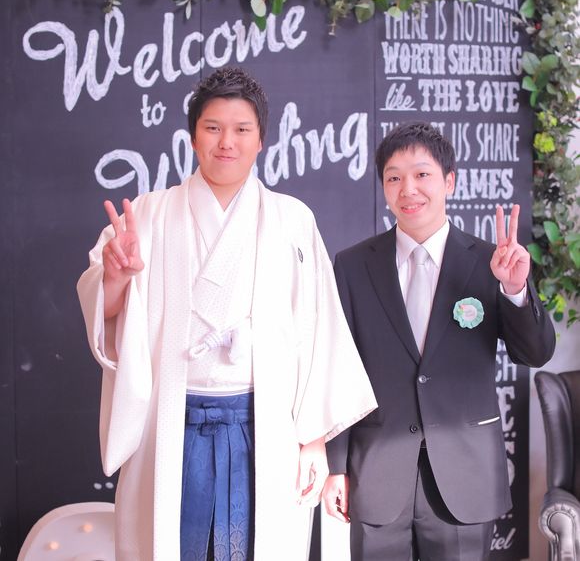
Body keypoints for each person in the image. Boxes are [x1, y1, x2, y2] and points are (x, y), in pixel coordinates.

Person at [77, 67, 377, 561]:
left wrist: (313, 442)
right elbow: (107, 319)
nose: (227, 142)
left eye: (242, 129)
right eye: (213, 128)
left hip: (264, 424)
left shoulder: (292, 220)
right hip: (170, 423)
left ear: (261, 140)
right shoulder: (147, 216)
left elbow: (319, 330)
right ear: (193, 136)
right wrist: (114, 278)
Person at [322, 121, 556, 561]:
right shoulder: (352, 266)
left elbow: (535, 353)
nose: (408, 189)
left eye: (422, 174)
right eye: (394, 177)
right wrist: (336, 466)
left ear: (449, 181)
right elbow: (338, 368)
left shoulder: (491, 262)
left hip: (464, 476)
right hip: (377, 472)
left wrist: (515, 291)